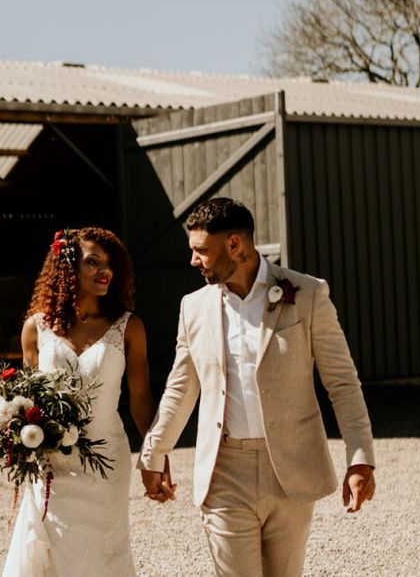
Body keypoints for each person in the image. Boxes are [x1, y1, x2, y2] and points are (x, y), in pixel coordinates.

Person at [138, 197, 376, 577]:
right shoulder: (193, 307)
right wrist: (154, 452)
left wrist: (360, 456)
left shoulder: (307, 293)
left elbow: (342, 382)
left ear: (235, 245)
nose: (193, 261)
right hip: (223, 469)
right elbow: (181, 387)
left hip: (291, 467)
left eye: (201, 251)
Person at [3, 226, 159, 577]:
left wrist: (156, 454)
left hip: (106, 460)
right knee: (54, 554)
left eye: (110, 263)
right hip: (51, 464)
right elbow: (26, 401)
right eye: (93, 262)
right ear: (67, 268)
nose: (105, 270)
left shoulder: (129, 327)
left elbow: (141, 399)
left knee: (104, 553)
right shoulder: (35, 328)